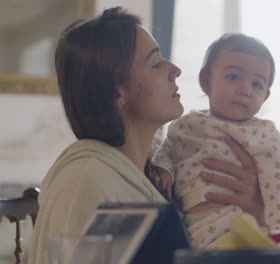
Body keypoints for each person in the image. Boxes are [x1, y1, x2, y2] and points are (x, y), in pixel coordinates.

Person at [29, 8, 265, 264]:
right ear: (117, 92)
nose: (174, 69)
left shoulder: (157, 175)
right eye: (155, 63)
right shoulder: (87, 181)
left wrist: (254, 213)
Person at [150, 33, 280, 248]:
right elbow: (168, 152)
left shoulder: (263, 134)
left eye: (257, 84)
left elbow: (278, 186)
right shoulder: (187, 124)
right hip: (190, 229)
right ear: (205, 81)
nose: (245, 90)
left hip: (237, 224)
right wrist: (163, 169)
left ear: (265, 96)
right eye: (234, 77)